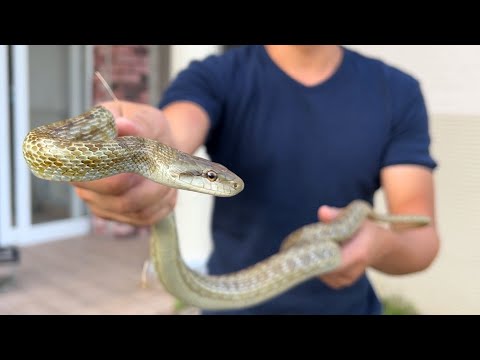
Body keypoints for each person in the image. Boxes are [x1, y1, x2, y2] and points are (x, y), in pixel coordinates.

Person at [73, 45, 440, 315]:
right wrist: (150, 137)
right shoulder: (215, 75)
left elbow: (421, 236)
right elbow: (173, 132)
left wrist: (377, 243)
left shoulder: (397, 91)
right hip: (226, 305)